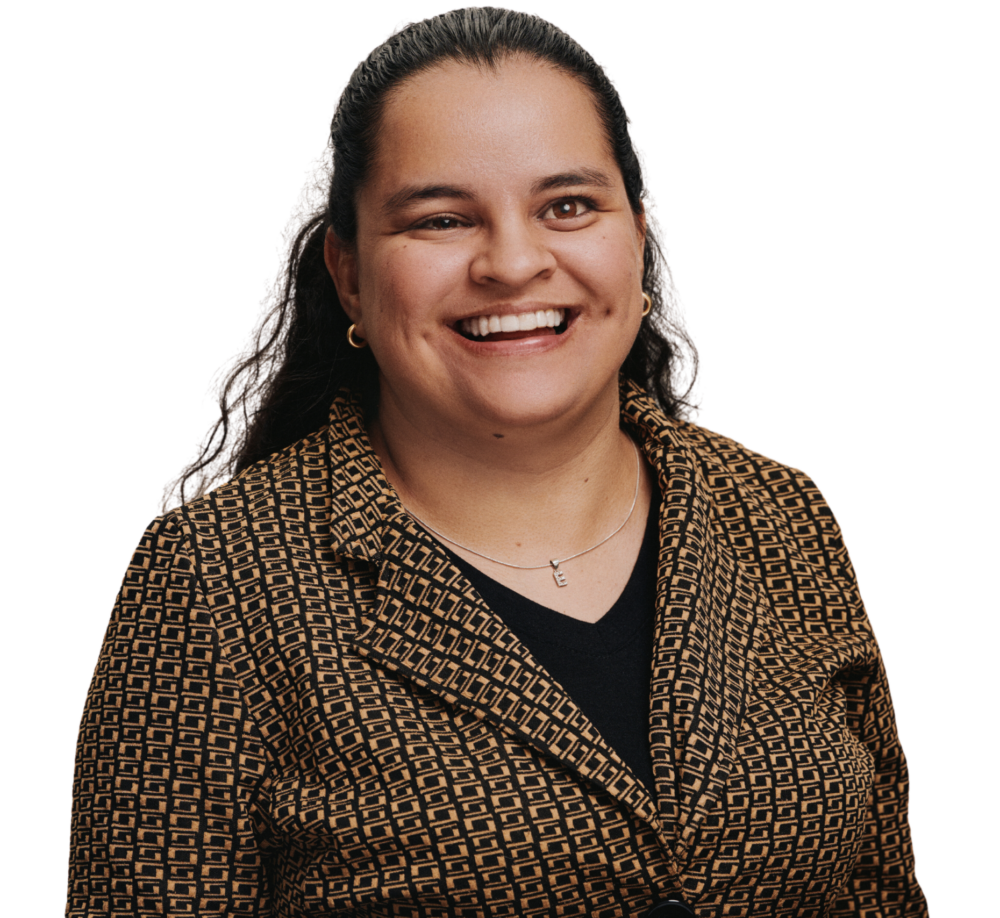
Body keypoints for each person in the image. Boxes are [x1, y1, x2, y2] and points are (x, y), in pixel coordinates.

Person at [65, 7, 928, 917]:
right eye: (440, 218)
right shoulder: (217, 579)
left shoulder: (776, 514)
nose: (514, 263)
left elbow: (878, 896)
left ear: (636, 239)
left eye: (567, 205)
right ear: (351, 274)